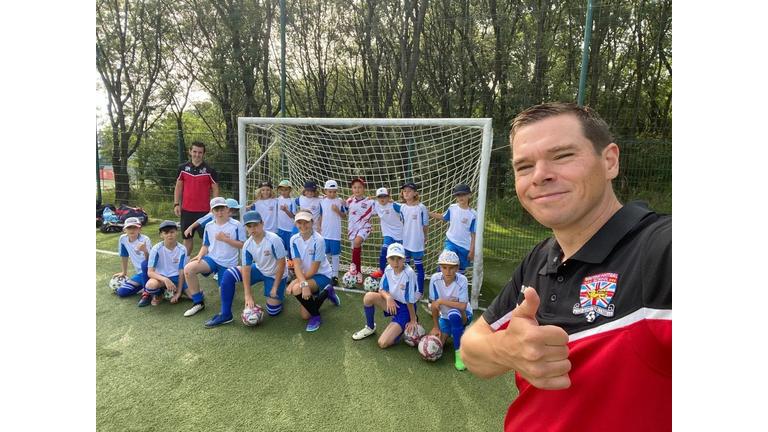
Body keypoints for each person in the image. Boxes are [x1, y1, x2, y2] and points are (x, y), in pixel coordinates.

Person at [460, 102, 671, 431]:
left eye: (562, 155)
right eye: (524, 166)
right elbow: (471, 349)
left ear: (610, 161)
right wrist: (506, 349)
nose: (540, 175)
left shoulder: (659, 250)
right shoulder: (541, 258)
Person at [204, 211, 288, 328]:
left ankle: (280, 293)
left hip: (276, 274)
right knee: (229, 274)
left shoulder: (274, 239)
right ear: (246, 228)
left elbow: (282, 264)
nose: (253, 229)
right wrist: (248, 295)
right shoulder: (247, 245)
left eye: (255, 225)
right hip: (260, 269)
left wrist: (275, 287)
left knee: (273, 311)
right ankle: (225, 314)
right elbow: (246, 269)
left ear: (262, 224)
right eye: (249, 226)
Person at [182, 197, 246, 317]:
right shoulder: (209, 226)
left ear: (227, 209)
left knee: (224, 294)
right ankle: (198, 302)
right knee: (188, 268)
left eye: (222, 209)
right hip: (212, 259)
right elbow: (206, 245)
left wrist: (225, 239)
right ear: (212, 211)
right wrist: (200, 255)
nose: (220, 213)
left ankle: (230, 283)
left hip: (228, 263)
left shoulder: (236, 225)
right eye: (216, 210)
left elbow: (243, 244)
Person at [351, 243, 419, 348]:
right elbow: (381, 289)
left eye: (399, 258)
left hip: (406, 308)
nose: (395, 262)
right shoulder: (388, 269)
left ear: (404, 259)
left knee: (382, 343)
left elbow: (409, 300)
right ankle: (370, 327)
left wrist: (413, 320)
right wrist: (388, 297)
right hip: (392, 303)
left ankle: (405, 323)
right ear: (387, 259)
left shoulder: (409, 274)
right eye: (392, 258)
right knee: (368, 297)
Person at [285, 211, 341, 332]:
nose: (303, 225)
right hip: (306, 275)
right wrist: (301, 281)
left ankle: (316, 317)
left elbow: (314, 269)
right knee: (305, 316)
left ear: (312, 222)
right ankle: (328, 291)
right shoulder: (294, 239)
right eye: (299, 222)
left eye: (306, 222)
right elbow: (297, 265)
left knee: (297, 289)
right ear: (296, 224)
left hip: (322, 275)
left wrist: (299, 282)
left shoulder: (319, 240)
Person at [427, 250, 472, 371]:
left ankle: (459, 355)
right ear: (440, 267)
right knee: (436, 346)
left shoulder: (462, 280)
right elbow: (434, 305)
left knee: (454, 315)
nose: (448, 271)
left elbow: (462, 306)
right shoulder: (435, 279)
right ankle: (457, 332)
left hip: (464, 315)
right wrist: (436, 327)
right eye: (444, 267)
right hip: (445, 316)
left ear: (457, 268)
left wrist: (442, 301)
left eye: (451, 268)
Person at [174, 141, 219, 256]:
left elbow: (215, 189)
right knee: (187, 237)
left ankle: (209, 263)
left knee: (207, 239)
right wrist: (176, 204)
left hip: (204, 211)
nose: (197, 154)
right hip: (186, 210)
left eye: (200, 152)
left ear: (203, 154)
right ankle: (185, 262)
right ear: (190, 151)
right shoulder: (182, 168)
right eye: (194, 151)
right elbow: (178, 187)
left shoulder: (210, 170)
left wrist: (214, 207)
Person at [429, 184, 477, 273]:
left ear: (469, 195)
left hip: (465, 246)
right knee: (445, 261)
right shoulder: (452, 208)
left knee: (460, 270)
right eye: (458, 195)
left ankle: (458, 282)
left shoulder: (473, 215)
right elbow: (444, 217)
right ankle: (439, 280)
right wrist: (429, 213)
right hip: (451, 242)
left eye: (463, 194)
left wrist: (472, 250)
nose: (460, 197)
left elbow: (473, 234)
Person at [138, 220, 187, 307]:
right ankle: (158, 294)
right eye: (166, 233)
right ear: (161, 235)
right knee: (150, 285)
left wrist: (179, 292)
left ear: (177, 233)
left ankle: (176, 290)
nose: (169, 235)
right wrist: (165, 279)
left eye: (172, 232)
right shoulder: (156, 249)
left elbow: (181, 272)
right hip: (161, 278)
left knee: (197, 295)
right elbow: (150, 272)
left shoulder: (182, 249)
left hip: (176, 278)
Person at [396, 182, 429, 296]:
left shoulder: (421, 208)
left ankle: (420, 291)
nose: (406, 193)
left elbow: (425, 225)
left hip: (417, 242)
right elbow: (403, 222)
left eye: (409, 191)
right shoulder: (402, 208)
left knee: (418, 266)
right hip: (406, 242)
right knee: (405, 266)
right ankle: (405, 287)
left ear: (415, 193)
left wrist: (425, 237)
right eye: (404, 191)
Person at [345, 177, 375, 284]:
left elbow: (381, 208)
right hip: (352, 229)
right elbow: (343, 210)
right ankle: (356, 271)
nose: (357, 189)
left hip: (364, 228)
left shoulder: (370, 202)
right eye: (354, 187)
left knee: (357, 242)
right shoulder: (349, 201)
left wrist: (388, 201)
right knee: (354, 250)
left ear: (364, 189)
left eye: (359, 187)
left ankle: (355, 269)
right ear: (352, 189)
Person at [369, 187, 403, 278]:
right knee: (384, 250)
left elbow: (407, 210)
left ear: (388, 197)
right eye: (380, 197)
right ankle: (381, 271)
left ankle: (402, 272)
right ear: (377, 198)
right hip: (388, 234)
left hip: (400, 234)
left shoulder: (394, 205)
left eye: (384, 196)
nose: (382, 199)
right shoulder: (376, 205)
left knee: (400, 254)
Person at [113, 217, 152, 297]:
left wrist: (145, 251)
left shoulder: (145, 239)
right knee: (122, 292)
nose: (132, 230)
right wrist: (124, 272)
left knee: (144, 265)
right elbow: (124, 255)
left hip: (150, 272)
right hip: (140, 274)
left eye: (135, 227)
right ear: (124, 230)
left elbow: (150, 262)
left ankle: (149, 290)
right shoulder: (123, 239)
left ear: (139, 229)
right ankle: (144, 286)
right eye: (129, 227)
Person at [318, 180, 346, 286]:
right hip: (325, 233)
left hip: (335, 234)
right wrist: (320, 227)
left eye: (334, 191)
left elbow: (344, 216)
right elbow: (321, 215)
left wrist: (337, 210)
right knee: (326, 255)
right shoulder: (322, 201)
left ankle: (335, 276)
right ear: (325, 191)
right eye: (330, 191)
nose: (332, 194)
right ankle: (327, 273)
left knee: (335, 255)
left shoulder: (339, 201)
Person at [276, 179, 298, 257]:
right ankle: (284, 263)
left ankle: (291, 263)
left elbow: (293, 216)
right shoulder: (278, 199)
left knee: (290, 249)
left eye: (286, 190)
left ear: (290, 190)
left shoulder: (292, 201)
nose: (283, 192)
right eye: (281, 190)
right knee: (281, 249)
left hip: (289, 229)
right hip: (280, 228)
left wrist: (286, 210)